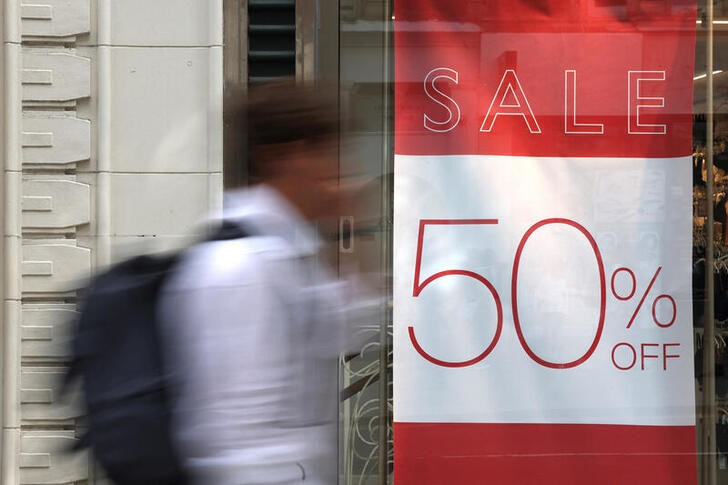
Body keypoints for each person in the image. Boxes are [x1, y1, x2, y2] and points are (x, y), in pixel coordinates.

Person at [160, 80, 353, 484]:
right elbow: (239, 441)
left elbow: (344, 332)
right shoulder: (242, 265)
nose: (340, 170)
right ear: (282, 157)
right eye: (328, 152)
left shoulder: (285, 252)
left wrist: (355, 231)